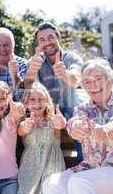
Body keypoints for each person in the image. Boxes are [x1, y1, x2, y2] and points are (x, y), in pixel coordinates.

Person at [42, 58, 113, 194]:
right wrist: (70, 126)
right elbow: (74, 124)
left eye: (98, 78)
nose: (93, 85)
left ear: (110, 79)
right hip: (91, 169)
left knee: (79, 181)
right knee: (51, 182)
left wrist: (106, 130)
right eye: (87, 81)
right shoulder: (82, 109)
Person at [24, 22, 84, 163]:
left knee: (80, 123)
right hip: (45, 111)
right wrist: (32, 71)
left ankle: (84, 166)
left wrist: (65, 75)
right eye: (42, 40)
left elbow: (76, 78)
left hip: (70, 108)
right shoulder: (33, 62)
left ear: (58, 38)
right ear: (38, 44)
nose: (47, 43)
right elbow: (26, 87)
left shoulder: (71, 58)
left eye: (50, 37)